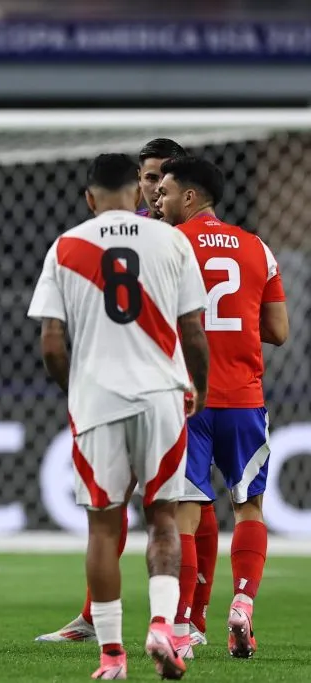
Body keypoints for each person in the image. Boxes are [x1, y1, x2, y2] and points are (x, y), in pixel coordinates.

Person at [27, 153, 210, 680]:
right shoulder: (171, 241)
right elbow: (193, 331)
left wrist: (75, 388)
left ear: (89, 198)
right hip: (160, 395)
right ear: (137, 193)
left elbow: (51, 343)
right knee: (164, 519)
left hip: (98, 400)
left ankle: (111, 656)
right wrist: (196, 385)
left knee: (104, 530)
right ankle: (161, 625)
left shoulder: (66, 247)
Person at [156, 156, 288, 660]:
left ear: (191, 197)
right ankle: (243, 603)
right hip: (244, 398)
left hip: (187, 398)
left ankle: (185, 629)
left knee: (184, 515)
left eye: (165, 192)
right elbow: (278, 330)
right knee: (249, 506)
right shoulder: (258, 248)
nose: (159, 201)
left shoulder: (169, 245)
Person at [139, 138, 189, 219]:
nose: (158, 189)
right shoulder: (126, 226)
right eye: (152, 178)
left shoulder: (203, 229)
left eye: (168, 178)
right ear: (139, 178)